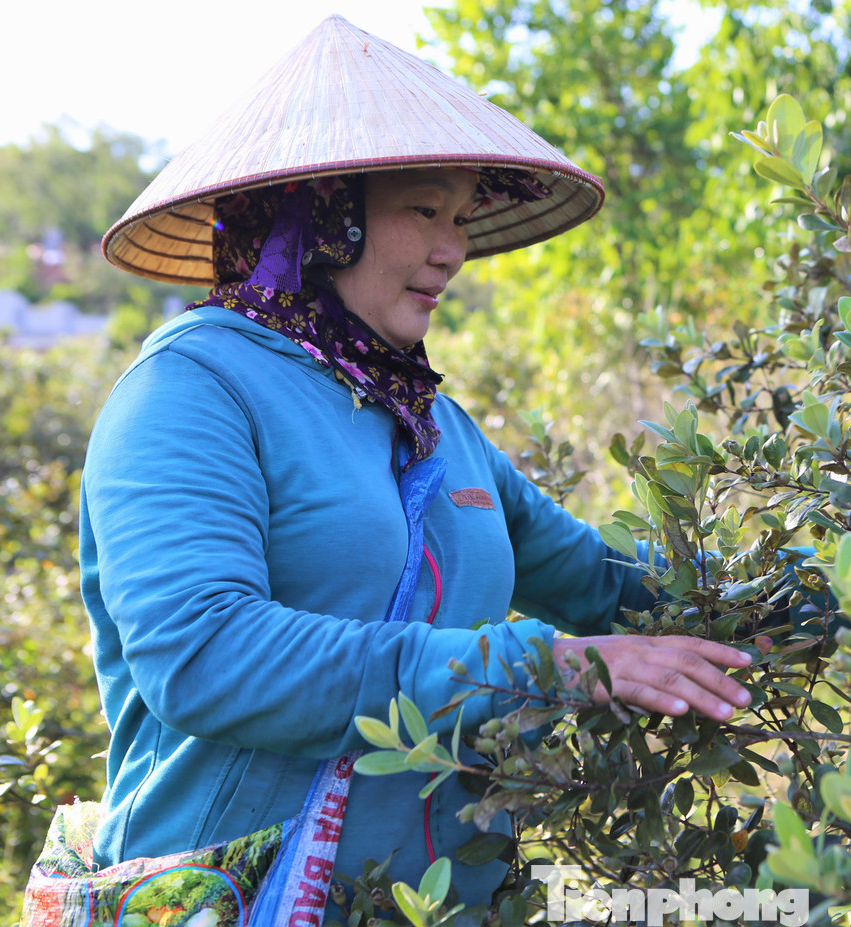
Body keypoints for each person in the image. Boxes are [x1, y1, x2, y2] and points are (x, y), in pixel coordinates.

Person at [82, 15, 751, 920]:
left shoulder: (433, 424)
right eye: (425, 209)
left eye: (464, 218)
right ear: (326, 213)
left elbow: (603, 584)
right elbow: (203, 656)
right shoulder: (192, 388)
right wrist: (536, 663)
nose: (454, 249)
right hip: (235, 899)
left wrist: (842, 594)